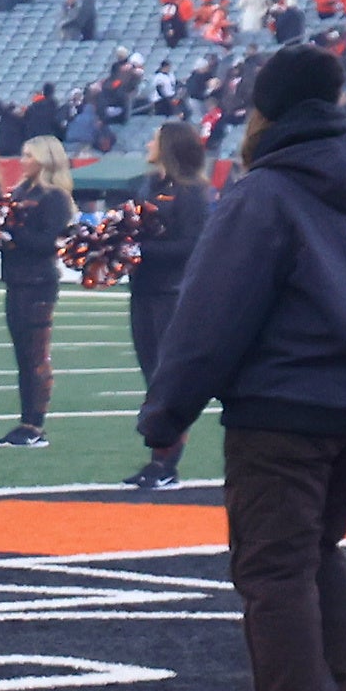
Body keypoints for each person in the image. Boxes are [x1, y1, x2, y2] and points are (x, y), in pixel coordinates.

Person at [135, 42, 346, 691]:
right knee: (306, 553)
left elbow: (212, 313)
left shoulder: (263, 193)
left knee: (272, 570)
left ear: (265, 112)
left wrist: (167, 412)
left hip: (282, 409)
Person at [120, 118, 210, 488]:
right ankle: (159, 457)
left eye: (154, 140)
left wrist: (139, 250)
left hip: (171, 294)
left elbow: (191, 246)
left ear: (170, 145)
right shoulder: (147, 186)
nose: (147, 146)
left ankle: (166, 462)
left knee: (167, 379)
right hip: (143, 291)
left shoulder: (191, 193)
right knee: (151, 376)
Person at [0, 136, 77, 448]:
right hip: (15, 279)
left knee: (36, 356)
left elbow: (47, 243)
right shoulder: (19, 192)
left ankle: (36, 425)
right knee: (22, 356)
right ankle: (25, 420)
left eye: (29, 155)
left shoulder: (54, 197)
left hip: (39, 282)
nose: (23, 160)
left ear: (45, 159)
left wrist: (11, 230)